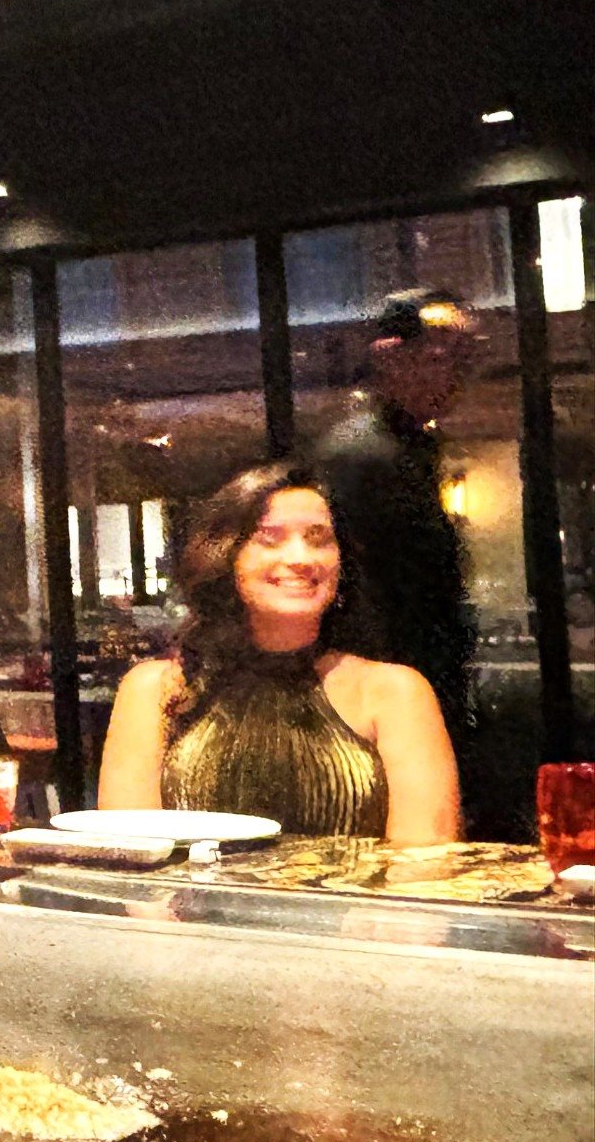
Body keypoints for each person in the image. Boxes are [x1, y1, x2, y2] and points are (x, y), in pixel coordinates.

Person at [98, 465, 460, 843]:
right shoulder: (155, 690)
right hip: (187, 903)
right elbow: (131, 865)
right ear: (226, 556)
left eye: (319, 539)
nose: (301, 557)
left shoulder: (395, 692)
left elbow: (425, 866)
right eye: (270, 539)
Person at [313, 290, 481, 740]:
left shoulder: (402, 446)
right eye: (441, 357)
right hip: (388, 696)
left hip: (409, 685)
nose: (456, 376)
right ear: (392, 357)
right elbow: (371, 595)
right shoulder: (365, 453)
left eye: (465, 360)